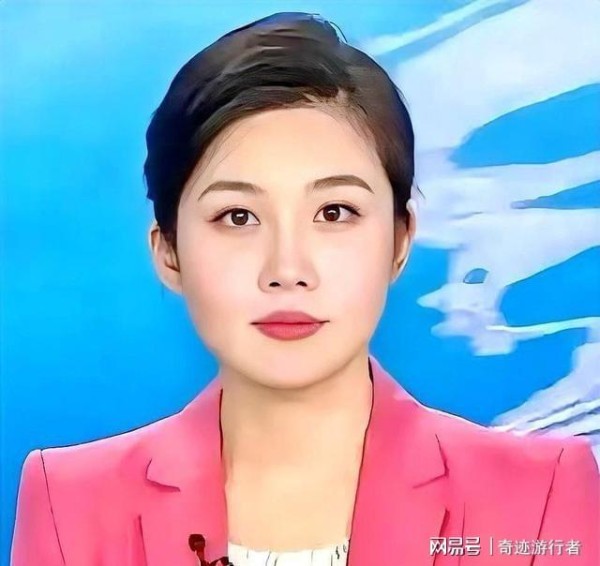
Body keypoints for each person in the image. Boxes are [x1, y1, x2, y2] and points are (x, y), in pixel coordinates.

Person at [10, 11, 599, 566]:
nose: (287, 269)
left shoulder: (541, 496)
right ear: (168, 251)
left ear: (399, 241)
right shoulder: (69, 503)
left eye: (335, 212)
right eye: (238, 216)